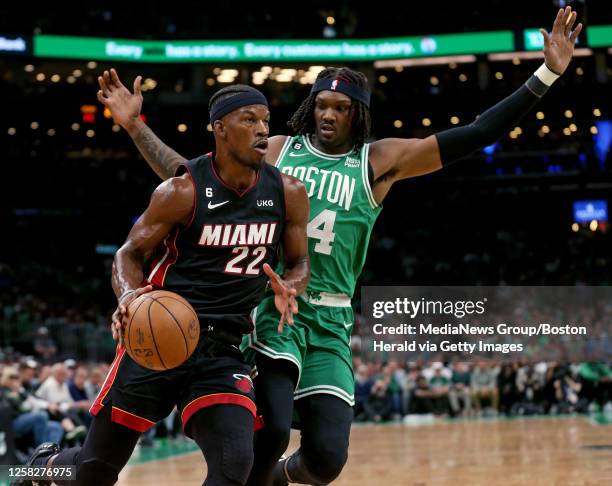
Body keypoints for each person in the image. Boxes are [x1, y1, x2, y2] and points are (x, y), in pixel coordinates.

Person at [96, 7, 581, 485]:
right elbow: (197, 184)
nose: (328, 115)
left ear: (358, 114)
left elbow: (476, 133)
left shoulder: (379, 161)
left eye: (341, 108)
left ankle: (280, 478)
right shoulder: (281, 150)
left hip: (331, 318)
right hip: (273, 309)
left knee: (327, 459)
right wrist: (137, 128)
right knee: (270, 433)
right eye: (322, 105)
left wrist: (546, 74)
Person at [13, 84, 310, 486]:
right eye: (249, 119)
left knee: (233, 465)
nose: (262, 130)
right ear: (219, 129)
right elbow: (128, 254)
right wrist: (131, 295)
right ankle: (41, 469)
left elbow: (300, 262)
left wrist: (290, 285)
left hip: (222, 348)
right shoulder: (182, 191)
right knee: (92, 472)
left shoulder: (288, 192)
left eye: (265, 121)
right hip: (157, 339)